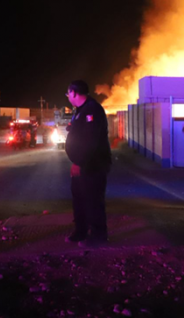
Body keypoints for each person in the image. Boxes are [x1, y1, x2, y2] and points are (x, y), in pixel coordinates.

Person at [64, 80, 112, 248]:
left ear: (74, 93)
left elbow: (91, 141)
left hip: (93, 165)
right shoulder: (80, 110)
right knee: (79, 199)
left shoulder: (93, 109)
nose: (68, 97)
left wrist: (79, 162)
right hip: (82, 164)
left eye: (68, 93)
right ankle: (81, 231)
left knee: (93, 201)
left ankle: (98, 235)